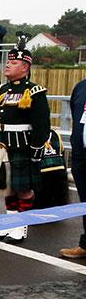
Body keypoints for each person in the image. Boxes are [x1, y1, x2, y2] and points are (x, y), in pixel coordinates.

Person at [0, 37, 50, 243]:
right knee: (8, 186)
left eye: (14, 62)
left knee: (24, 189)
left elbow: (41, 124)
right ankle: (10, 224)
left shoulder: (34, 91)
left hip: (22, 147)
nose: (8, 65)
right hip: (3, 146)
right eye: (8, 61)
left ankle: (20, 228)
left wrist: (36, 149)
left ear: (25, 67)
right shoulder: (3, 90)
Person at [60, 78, 86, 258]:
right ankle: (85, 245)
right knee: (84, 202)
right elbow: (75, 114)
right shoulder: (81, 87)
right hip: (81, 156)